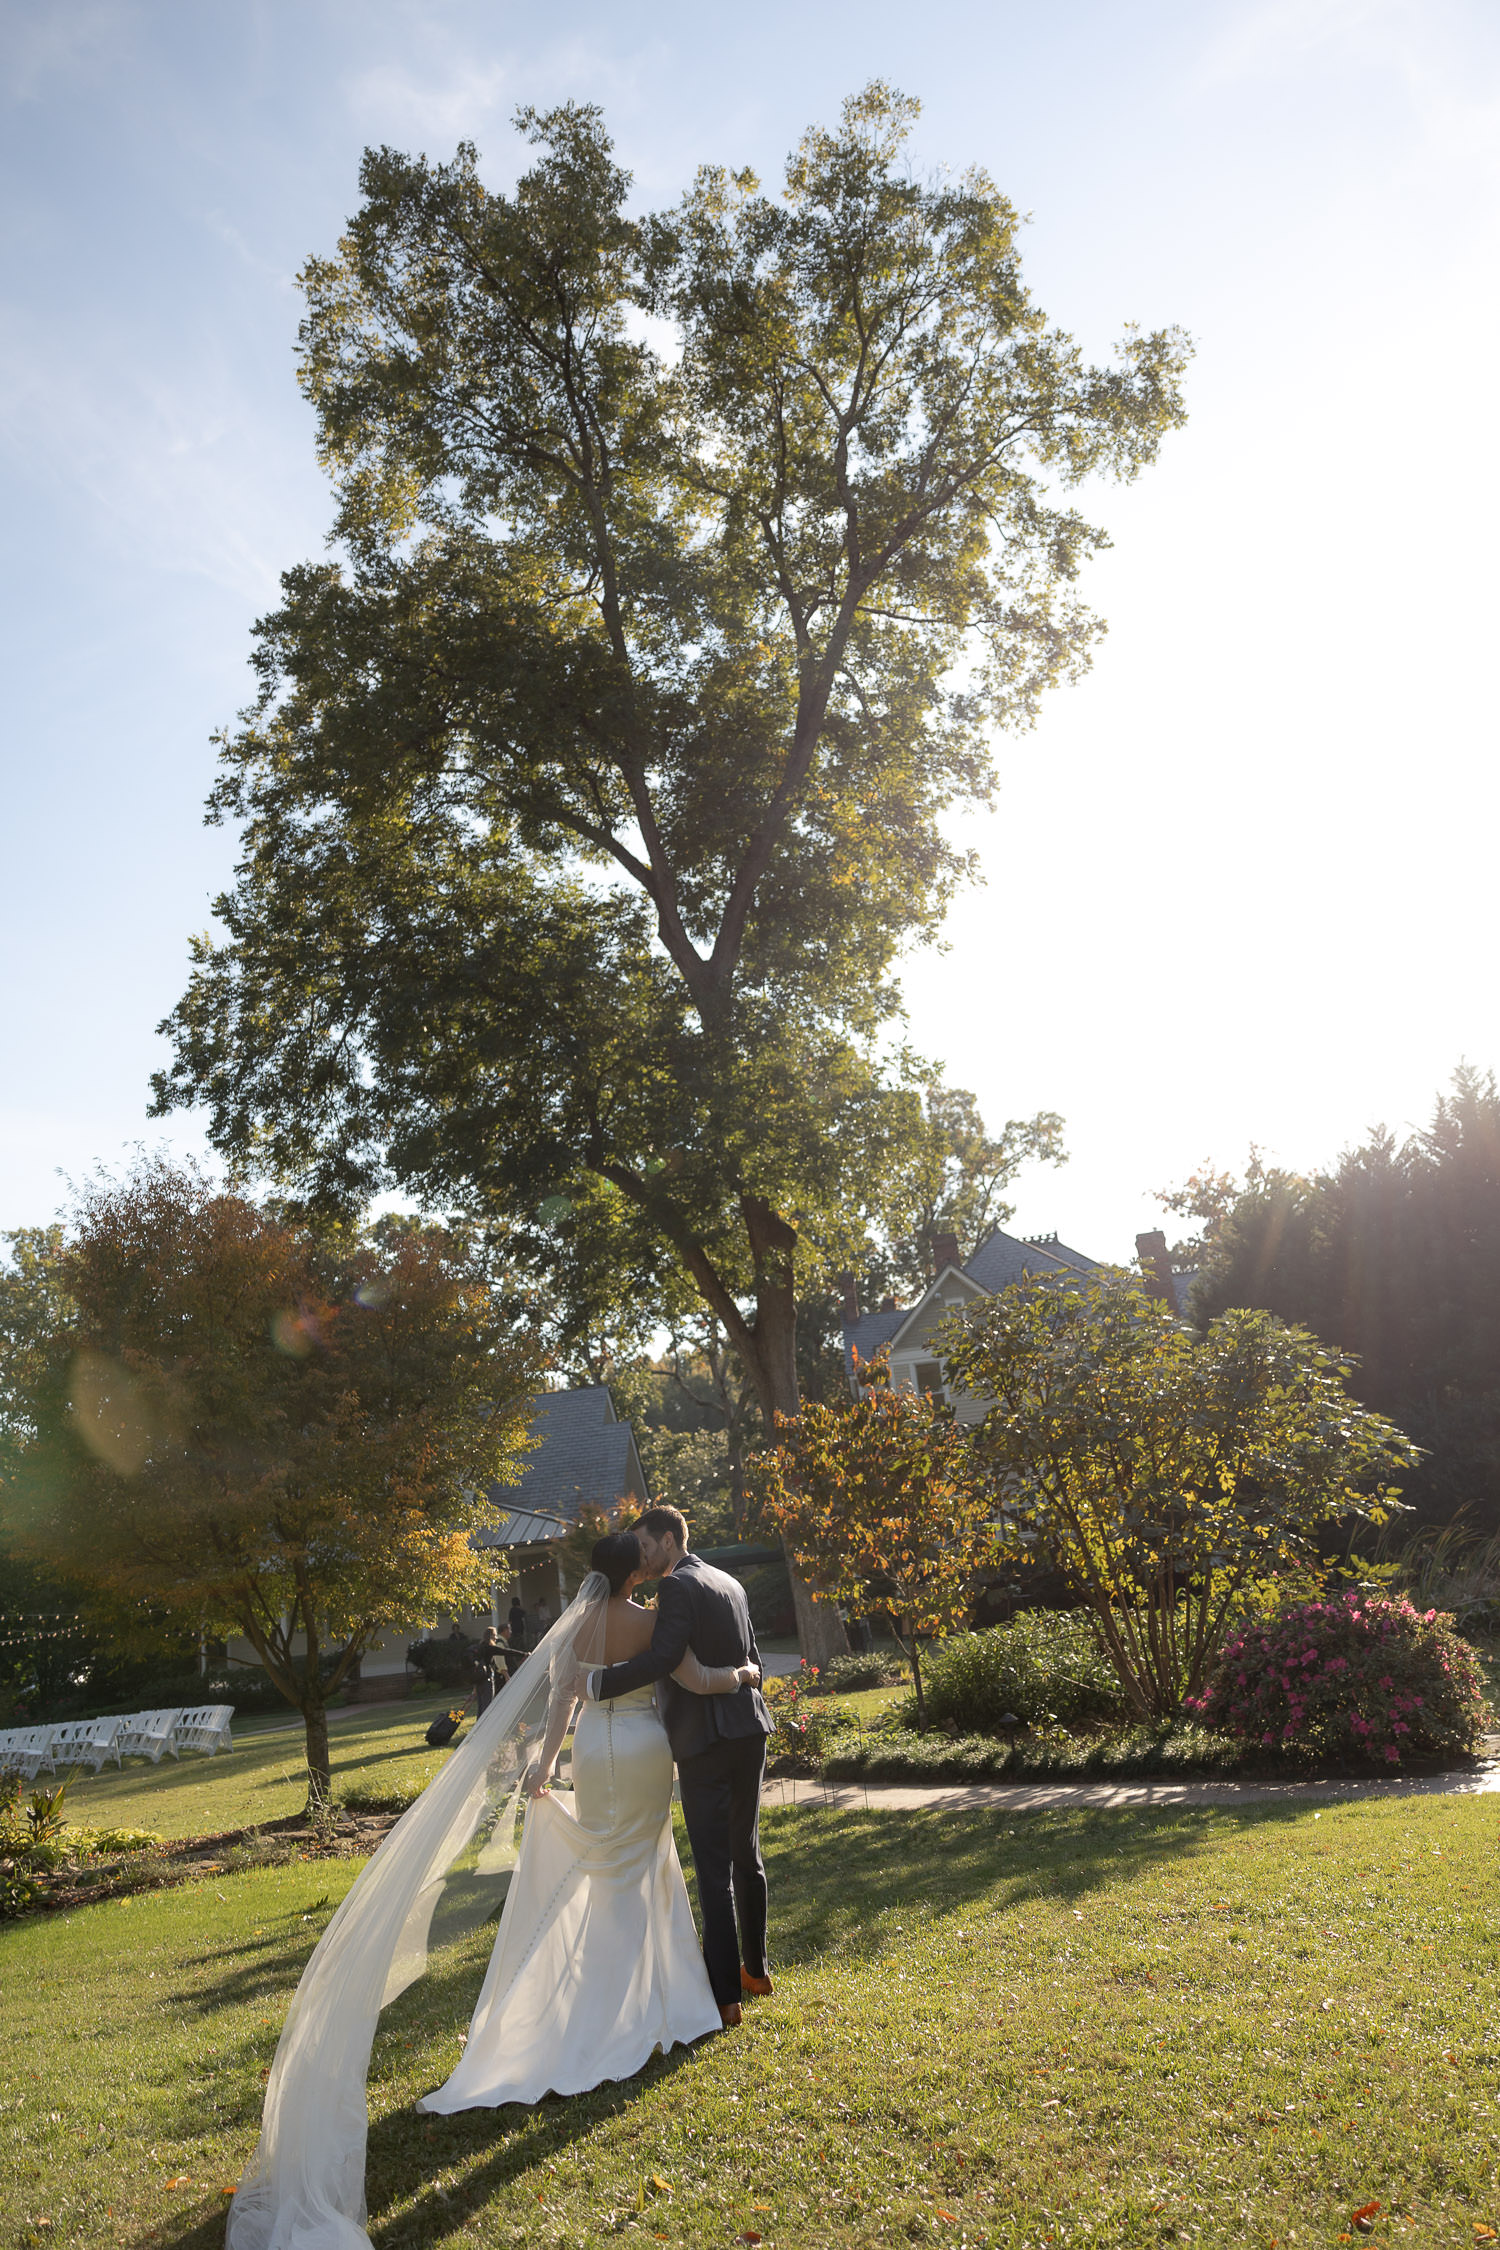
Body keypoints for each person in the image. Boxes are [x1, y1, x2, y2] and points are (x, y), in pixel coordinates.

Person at [226, 1532, 762, 2247]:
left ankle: (595, 2002)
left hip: (592, 1756)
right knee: (643, 1864)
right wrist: (747, 1677)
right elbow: (692, 1677)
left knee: (604, 1870)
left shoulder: (573, 1628)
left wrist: (544, 1769)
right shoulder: (652, 1621)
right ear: (635, 1570)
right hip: (644, 1751)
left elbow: (565, 1702)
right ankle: (655, 1999)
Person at [584, 1505, 775, 2023]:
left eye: (645, 1547)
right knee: (747, 1854)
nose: (641, 1559)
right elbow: (754, 1657)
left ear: (668, 1541)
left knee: (714, 1869)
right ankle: (756, 1970)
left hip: (705, 1741)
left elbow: (665, 1659)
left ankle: (725, 1998)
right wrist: (744, 1679)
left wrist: (599, 1684)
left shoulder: (675, 1588)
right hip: (750, 1730)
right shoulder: (730, 1582)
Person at [473, 1625, 505, 1714]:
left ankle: (479, 1726)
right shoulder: (490, 1648)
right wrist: (524, 1654)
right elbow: (506, 1652)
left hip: (479, 1680)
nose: (496, 1637)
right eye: (495, 1635)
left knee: (481, 1707)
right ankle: (485, 1726)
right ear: (491, 1636)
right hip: (487, 1680)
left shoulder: (479, 1647)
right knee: (487, 1706)